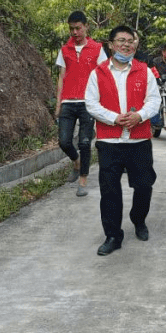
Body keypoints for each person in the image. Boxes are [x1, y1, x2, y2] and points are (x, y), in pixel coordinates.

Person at [84, 25, 160, 256]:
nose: (126, 45)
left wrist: (139, 116)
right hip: (110, 142)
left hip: (139, 141)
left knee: (144, 185)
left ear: (135, 45)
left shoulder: (144, 71)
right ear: (111, 44)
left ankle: (138, 219)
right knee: (110, 191)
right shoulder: (98, 73)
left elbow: (154, 101)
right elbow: (91, 103)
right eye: (121, 40)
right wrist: (115, 118)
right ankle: (113, 235)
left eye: (130, 41)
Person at [55, 11, 106, 197]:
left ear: (86, 27)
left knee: (85, 142)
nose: (74, 32)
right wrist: (58, 104)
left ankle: (82, 180)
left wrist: (101, 101)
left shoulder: (97, 48)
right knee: (64, 141)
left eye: (78, 28)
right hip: (68, 101)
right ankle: (76, 161)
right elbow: (61, 77)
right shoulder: (64, 50)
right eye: (71, 29)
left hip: (88, 102)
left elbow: (103, 76)